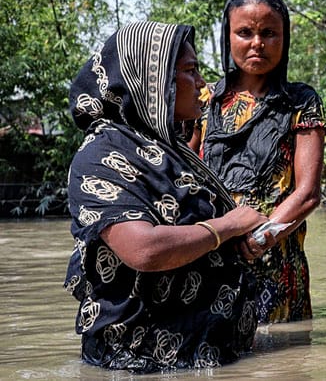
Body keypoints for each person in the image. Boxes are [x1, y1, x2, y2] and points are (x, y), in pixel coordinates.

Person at [64, 21, 270, 372]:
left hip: (202, 355)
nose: (203, 84)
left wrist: (238, 240)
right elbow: (144, 249)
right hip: (142, 363)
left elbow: (191, 230)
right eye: (190, 71)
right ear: (151, 80)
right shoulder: (101, 155)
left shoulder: (168, 150)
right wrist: (227, 225)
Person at [191, 0, 326, 323]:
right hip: (213, 252)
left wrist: (262, 236)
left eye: (269, 33)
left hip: (276, 255)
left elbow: (308, 193)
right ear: (228, 37)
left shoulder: (301, 101)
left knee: (283, 360)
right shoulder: (203, 99)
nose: (257, 43)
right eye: (245, 32)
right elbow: (186, 174)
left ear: (284, 39)